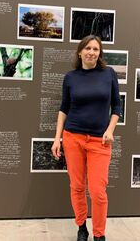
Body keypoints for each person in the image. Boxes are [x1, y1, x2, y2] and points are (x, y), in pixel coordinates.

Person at [51, 35, 120, 241]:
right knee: (77, 187)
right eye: (88, 48)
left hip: (100, 141)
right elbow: (64, 109)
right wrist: (57, 139)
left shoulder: (109, 74)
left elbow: (117, 106)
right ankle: (82, 227)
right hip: (73, 137)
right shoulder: (70, 77)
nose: (91, 52)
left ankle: (99, 235)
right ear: (80, 52)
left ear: (100, 53)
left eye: (96, 49)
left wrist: (111, 129)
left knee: (98, 191)